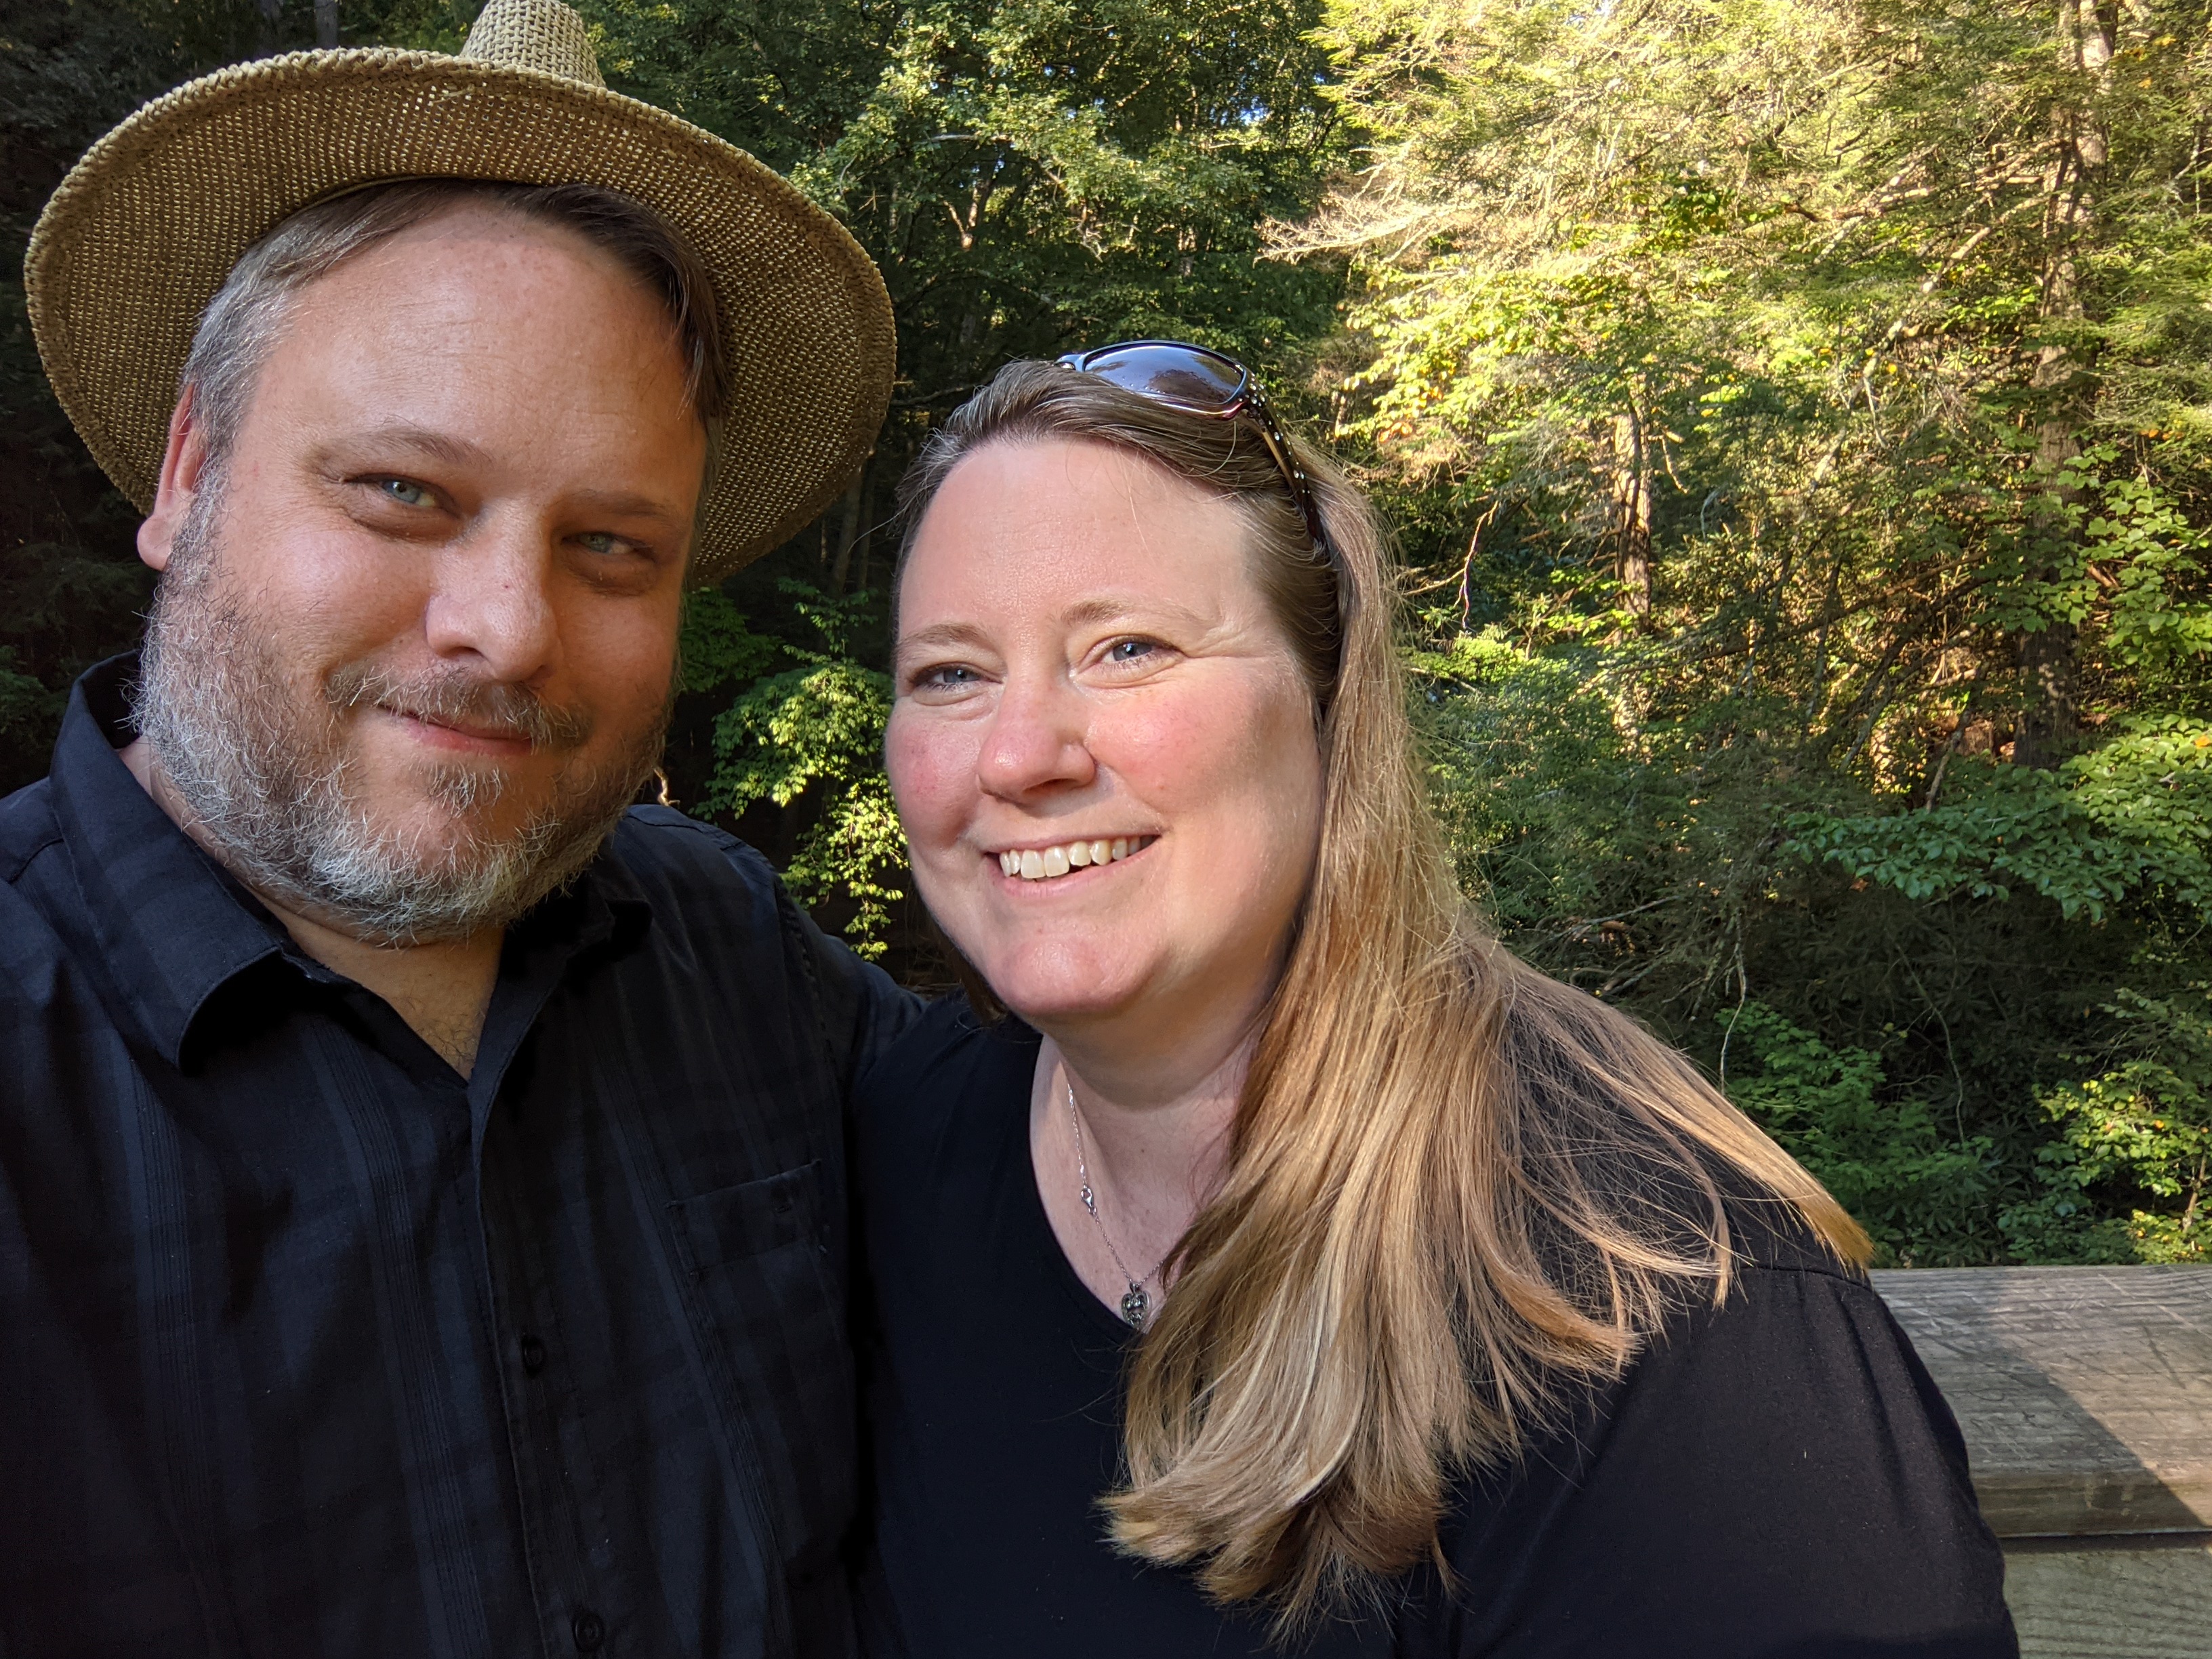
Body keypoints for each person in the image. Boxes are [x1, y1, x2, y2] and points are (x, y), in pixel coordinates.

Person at [853, 346, 2018, 1657]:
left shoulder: (1646, 1300)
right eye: (949, 673)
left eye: (1127, 648)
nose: (1017, 754)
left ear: (1328, 699)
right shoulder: (900, 1139)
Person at [1, 3, 914, 1654]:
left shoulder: (743, 960)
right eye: (406, 495)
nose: (509, 625)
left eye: (615, 547)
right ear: (189, 471)